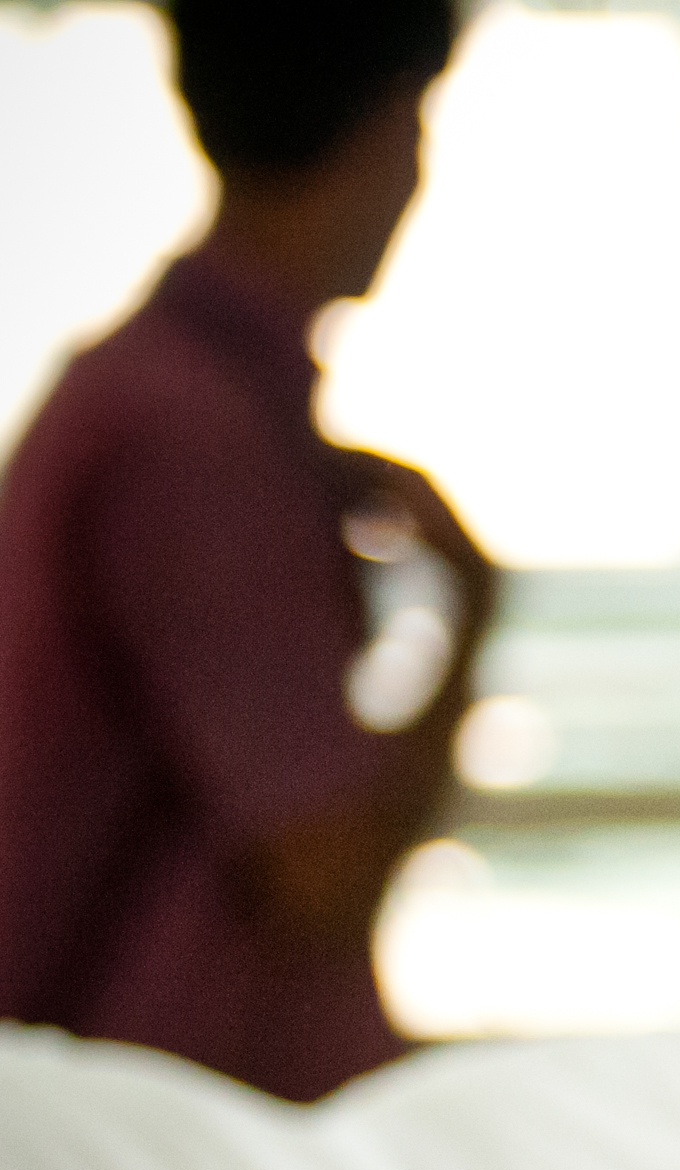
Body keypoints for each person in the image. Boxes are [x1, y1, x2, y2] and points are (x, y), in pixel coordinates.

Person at [0, 0, 488, 1105]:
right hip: (161, 1136)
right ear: (389, 130)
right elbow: (324, 873)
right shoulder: (186, 434)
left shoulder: (168, 401)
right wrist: (469, 613)